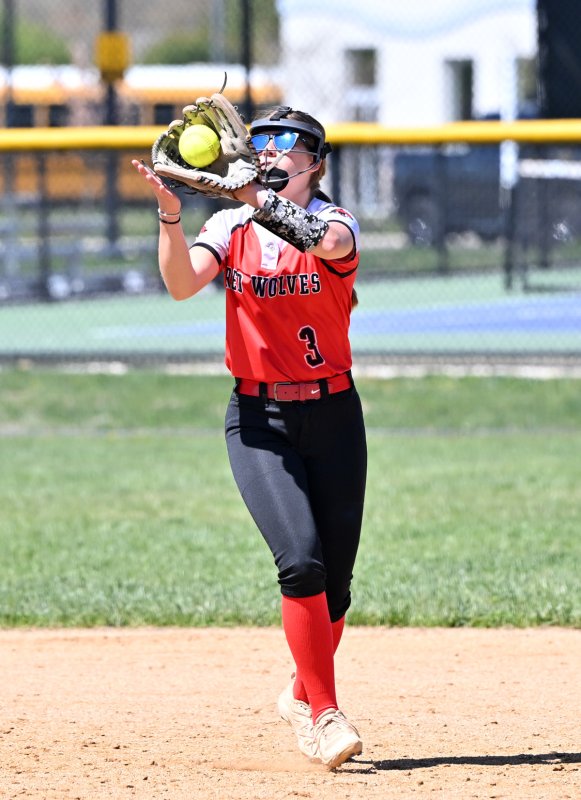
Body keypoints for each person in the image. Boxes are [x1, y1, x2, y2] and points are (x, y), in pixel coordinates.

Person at [131, 105, 367, 769]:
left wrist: (251, 195)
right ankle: (323, 714)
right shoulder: (229, 225)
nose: (269, 148)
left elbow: (322, 244)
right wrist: (171, 216)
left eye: (288, 143)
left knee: (337, 588)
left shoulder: (336, 221)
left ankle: (300, 692)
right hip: (259, 421)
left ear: (314, 163)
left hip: (334, 414)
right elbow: (181, 285)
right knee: (301, 561)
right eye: (260, 139)